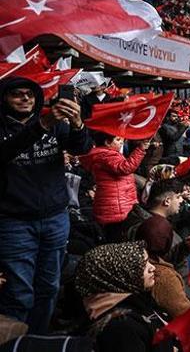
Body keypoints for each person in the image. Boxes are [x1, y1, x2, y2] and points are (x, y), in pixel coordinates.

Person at [0, 77, 91, 333]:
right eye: (16, 94)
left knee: (49, 286)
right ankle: (12, 342)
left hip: (55, 218)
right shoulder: (16, 125)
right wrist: (42, 125)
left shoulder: (54, 124)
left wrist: (76, 124)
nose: (25, 98)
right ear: (4, 98)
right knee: (18, 292)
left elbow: (82, 147)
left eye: (29, 94)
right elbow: (6, 152)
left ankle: (37, 338)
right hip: (14, 222)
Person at [75, 241, 190, 352]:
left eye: (149, 260)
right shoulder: (119, 330)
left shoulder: (133, 300)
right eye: (141, 265)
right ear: (118, 276)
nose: (152, 268)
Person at [79, 131, 149, 241]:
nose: (122, 142)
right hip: (117, 205)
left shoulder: (101, 154)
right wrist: (140, 149)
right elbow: (126, 168)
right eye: (118, 140)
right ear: (107, 142)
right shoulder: (107, 155)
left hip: (113, 203)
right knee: (118, 237)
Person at [135, 215, 190, 318]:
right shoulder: (164, 278)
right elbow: (187, 316)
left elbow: (159, 257)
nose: (150, 268)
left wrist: (183, 248)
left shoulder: (134, 256)